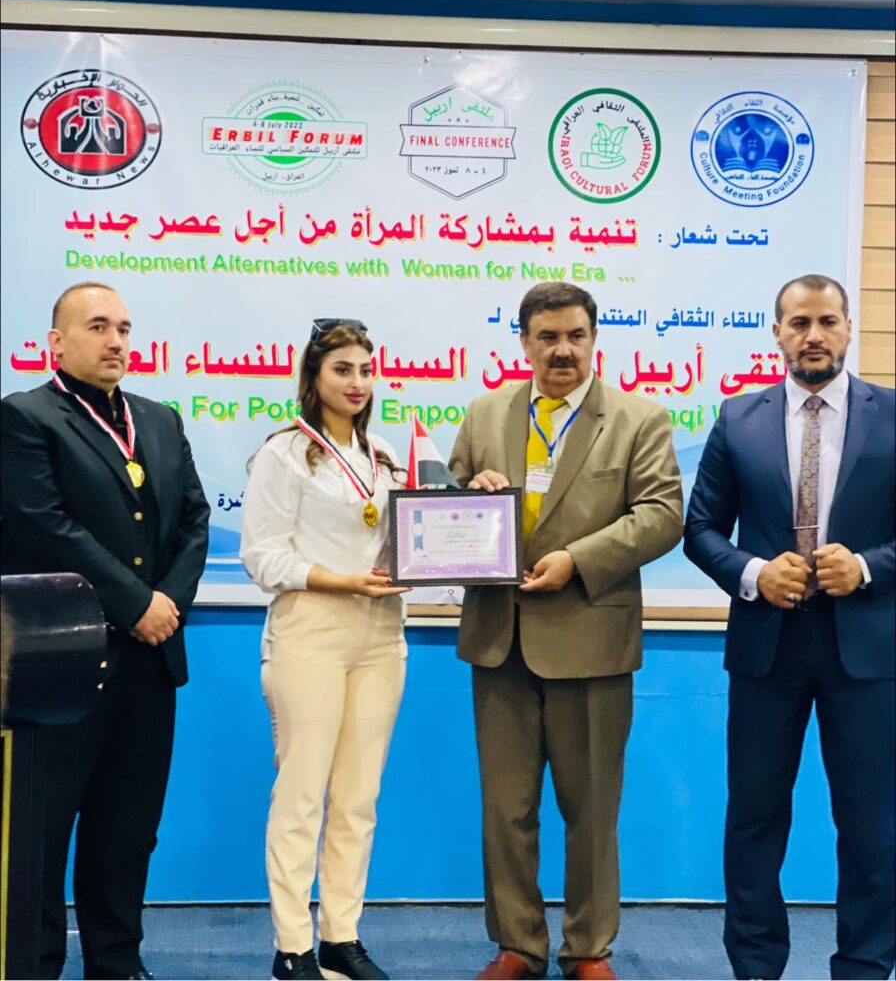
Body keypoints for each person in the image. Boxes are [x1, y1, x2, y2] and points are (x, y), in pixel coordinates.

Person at [448, 282, 683, 981]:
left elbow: (661, 514)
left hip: (591, 640)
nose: (562, 350)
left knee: (592, 810)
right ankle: (517, 945)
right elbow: (443, 502)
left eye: (575, 336)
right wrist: (468, 497)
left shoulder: (639, 418)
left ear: (593, 339)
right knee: (506, 810)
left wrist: (577, 560)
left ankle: (588, 949)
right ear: (523, 342)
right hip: (499, 641)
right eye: (547, 337)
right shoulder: (484, 414)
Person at [684, 274, 895, 981]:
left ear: (848, 327)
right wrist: (752, 573)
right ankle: (755, 967)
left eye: (827, 321)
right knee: (754, 820)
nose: (814, 335)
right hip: (765, 649)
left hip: (866, 653)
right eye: (799, 322)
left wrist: (864, 567)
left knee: (870, 825)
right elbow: (701, 529)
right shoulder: (738, 418)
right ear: (777, 333)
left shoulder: (893, 416)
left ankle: (864, 968)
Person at [1, 281, 210, 980]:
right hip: (59, 663)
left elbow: (194, 520)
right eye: (97, 327)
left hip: (150, 663)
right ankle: (33, 965)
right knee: (40, 833)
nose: (116, 340)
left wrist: (166, 604)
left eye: (123, 328)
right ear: (56, 342)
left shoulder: (160, 420)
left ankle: (117, 962)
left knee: (127, 830)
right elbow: (43, 525)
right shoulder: (25, 417)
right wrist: (135, 603)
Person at [240, 319, 409, 981]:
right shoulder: (284, 453)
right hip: (309, 629)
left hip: (382, 635)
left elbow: (414, 538)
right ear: (313, 376)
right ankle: (292, 947)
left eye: (366, 370)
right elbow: (262, 557)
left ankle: (342, 936)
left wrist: (468, 505)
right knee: (302, 794)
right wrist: (341, 580)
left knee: (359, 797)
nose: (358, 382)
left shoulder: (385, 455)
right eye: (342, 369)